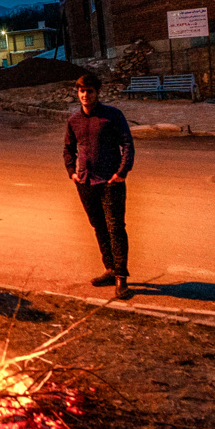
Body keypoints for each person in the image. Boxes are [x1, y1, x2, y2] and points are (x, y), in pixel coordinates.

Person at [63, 72, 135, 298]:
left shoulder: (112, 116)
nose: (85, 95)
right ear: (78, 93)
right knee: (99, 227)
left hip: (109, 182)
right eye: (82, 91)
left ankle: (121, 278)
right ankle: (110, 269)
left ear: (97, 92)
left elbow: (127, 144)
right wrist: (72, 172)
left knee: (115, 228)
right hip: (85, 183)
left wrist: (121, 173)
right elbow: (68, 149)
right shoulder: (73, 121)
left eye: (89, 91)